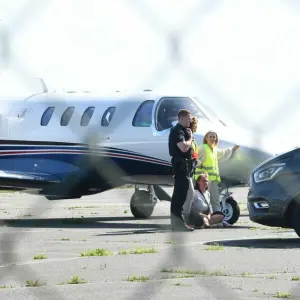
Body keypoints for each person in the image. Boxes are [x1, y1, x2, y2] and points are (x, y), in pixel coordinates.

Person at [193, 130, 239, 213]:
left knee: (215, 200)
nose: (212, 138)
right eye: (210, 136)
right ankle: (200, 219)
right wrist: (200, 164)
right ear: (206, 138)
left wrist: (233, 149)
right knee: (201, 200)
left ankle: (218, 218)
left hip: (213, 180)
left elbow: (223, 153)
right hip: (202, 180)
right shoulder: (202, 148)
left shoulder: (214, 150)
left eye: (214, 137)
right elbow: (194, 157)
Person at [168, 109, 195, 231]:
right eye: (188, 118)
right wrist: (191, 138)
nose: (191, 120)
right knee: (179, 194)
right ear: (182, 118)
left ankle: (177, 222)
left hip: (185, 165)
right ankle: (177, 223)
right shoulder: (177, 131)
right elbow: (184, 147)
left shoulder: (184, 130)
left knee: (182, 193)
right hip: (180, 164)